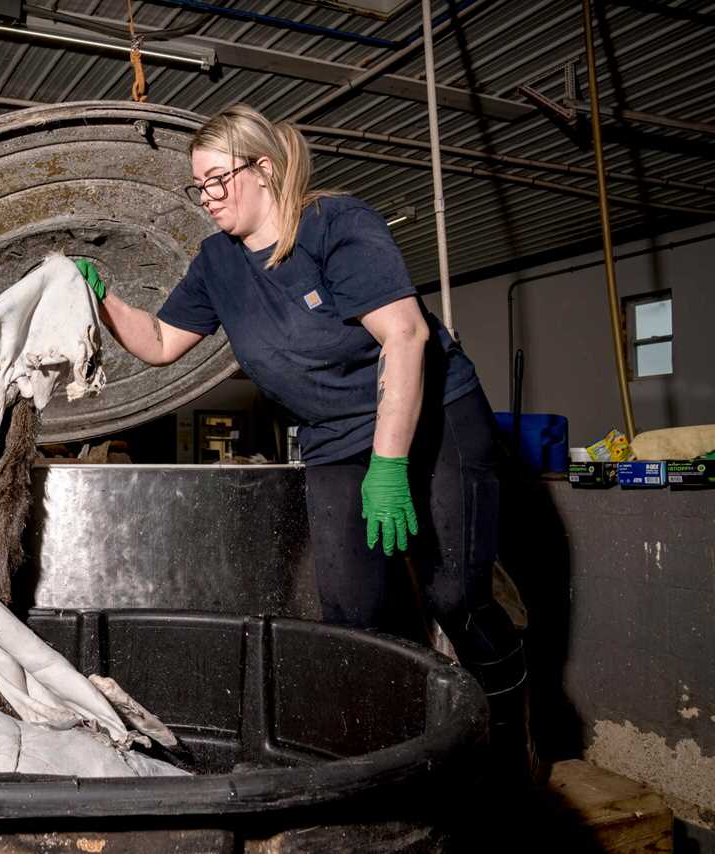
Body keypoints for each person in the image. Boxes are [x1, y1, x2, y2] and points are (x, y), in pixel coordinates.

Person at [79, 103, 537, 783]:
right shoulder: (216, 264)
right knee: (352, 614)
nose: (206, 200)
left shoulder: (335, 225)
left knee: (453, 597)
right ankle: (389, 762)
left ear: (264, 169)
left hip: (434, 415)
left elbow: (405, 338)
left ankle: (514, 740)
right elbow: (159, 343)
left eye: (216, 181)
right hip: (331, 437)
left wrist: (387, 466)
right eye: (196, 187)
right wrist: (101, 294)